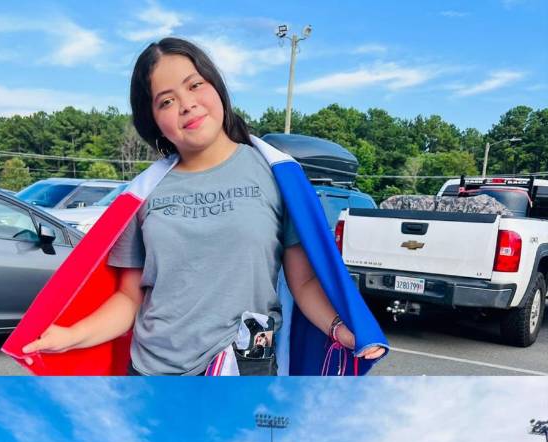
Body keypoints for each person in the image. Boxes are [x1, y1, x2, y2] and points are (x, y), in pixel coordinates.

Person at [20, 37, 386, 375]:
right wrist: (69, 336)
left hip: (242, 372)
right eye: (166, 101)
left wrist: (342, 329)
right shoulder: (142, 194)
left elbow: (303, 282)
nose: (187, 104)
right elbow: (129, 299)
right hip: (152, 375)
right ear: (154, 121)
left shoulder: (276, 175)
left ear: (216, 87)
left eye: (194, 85)